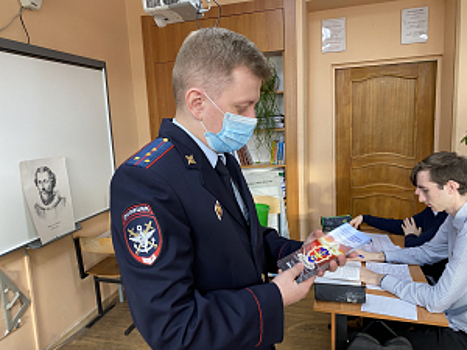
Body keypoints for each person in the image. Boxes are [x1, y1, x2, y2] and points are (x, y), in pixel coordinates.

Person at [110, 27, 348, 350]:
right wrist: (273, 297)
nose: (252, 119)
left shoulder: (221, 155)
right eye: (242, 108)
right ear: (197, 102)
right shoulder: (146, 181)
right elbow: (174, 329)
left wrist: (298, 253)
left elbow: (246, 238)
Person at [355, 151, 467, 350]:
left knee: (372, 341)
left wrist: (379, 279)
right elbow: (427, 252)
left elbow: (437, 300)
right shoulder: (454, 217)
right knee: (369, 333)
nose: (419, 196)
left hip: (460, 329)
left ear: (451, 187)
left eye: (424, 190)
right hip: (449, 315)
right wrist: (379, 256)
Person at [350, 207, 448, 283]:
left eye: (425, 190)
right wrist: (365, 218)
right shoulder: (432, 211)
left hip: (429, 278)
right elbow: (402, 225)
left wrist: (410, 235)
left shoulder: (445, 218)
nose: (420, 198)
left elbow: (415, 248)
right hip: (416, 269)